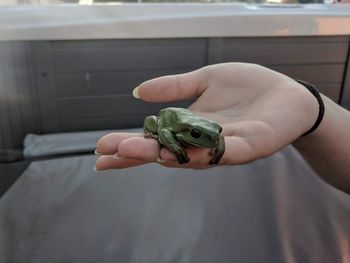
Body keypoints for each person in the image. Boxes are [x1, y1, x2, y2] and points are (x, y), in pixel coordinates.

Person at [94, 63, 350, 194]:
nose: (213, 138)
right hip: (170, 121)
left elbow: (212, 134)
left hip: (192, 125)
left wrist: (214, 139)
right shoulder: (182, 129)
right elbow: (166, 131)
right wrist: (313, 110)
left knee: (204, 134)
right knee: (155, 125)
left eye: (217, 133)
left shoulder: (211, 133)